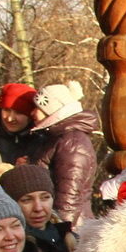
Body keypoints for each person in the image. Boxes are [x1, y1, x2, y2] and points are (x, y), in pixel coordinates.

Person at [18, 80, 98, 225]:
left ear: (51, 109)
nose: (32, 113)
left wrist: (62, 235)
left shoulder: (72, 143)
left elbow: (68, 200)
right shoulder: (56, 137)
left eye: (37, 107)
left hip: (71, 228)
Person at [0, 83, 36, 164]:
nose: (10, 118)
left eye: (18, 112)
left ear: (30, 115)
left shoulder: (41, 138)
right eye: (6, 110)